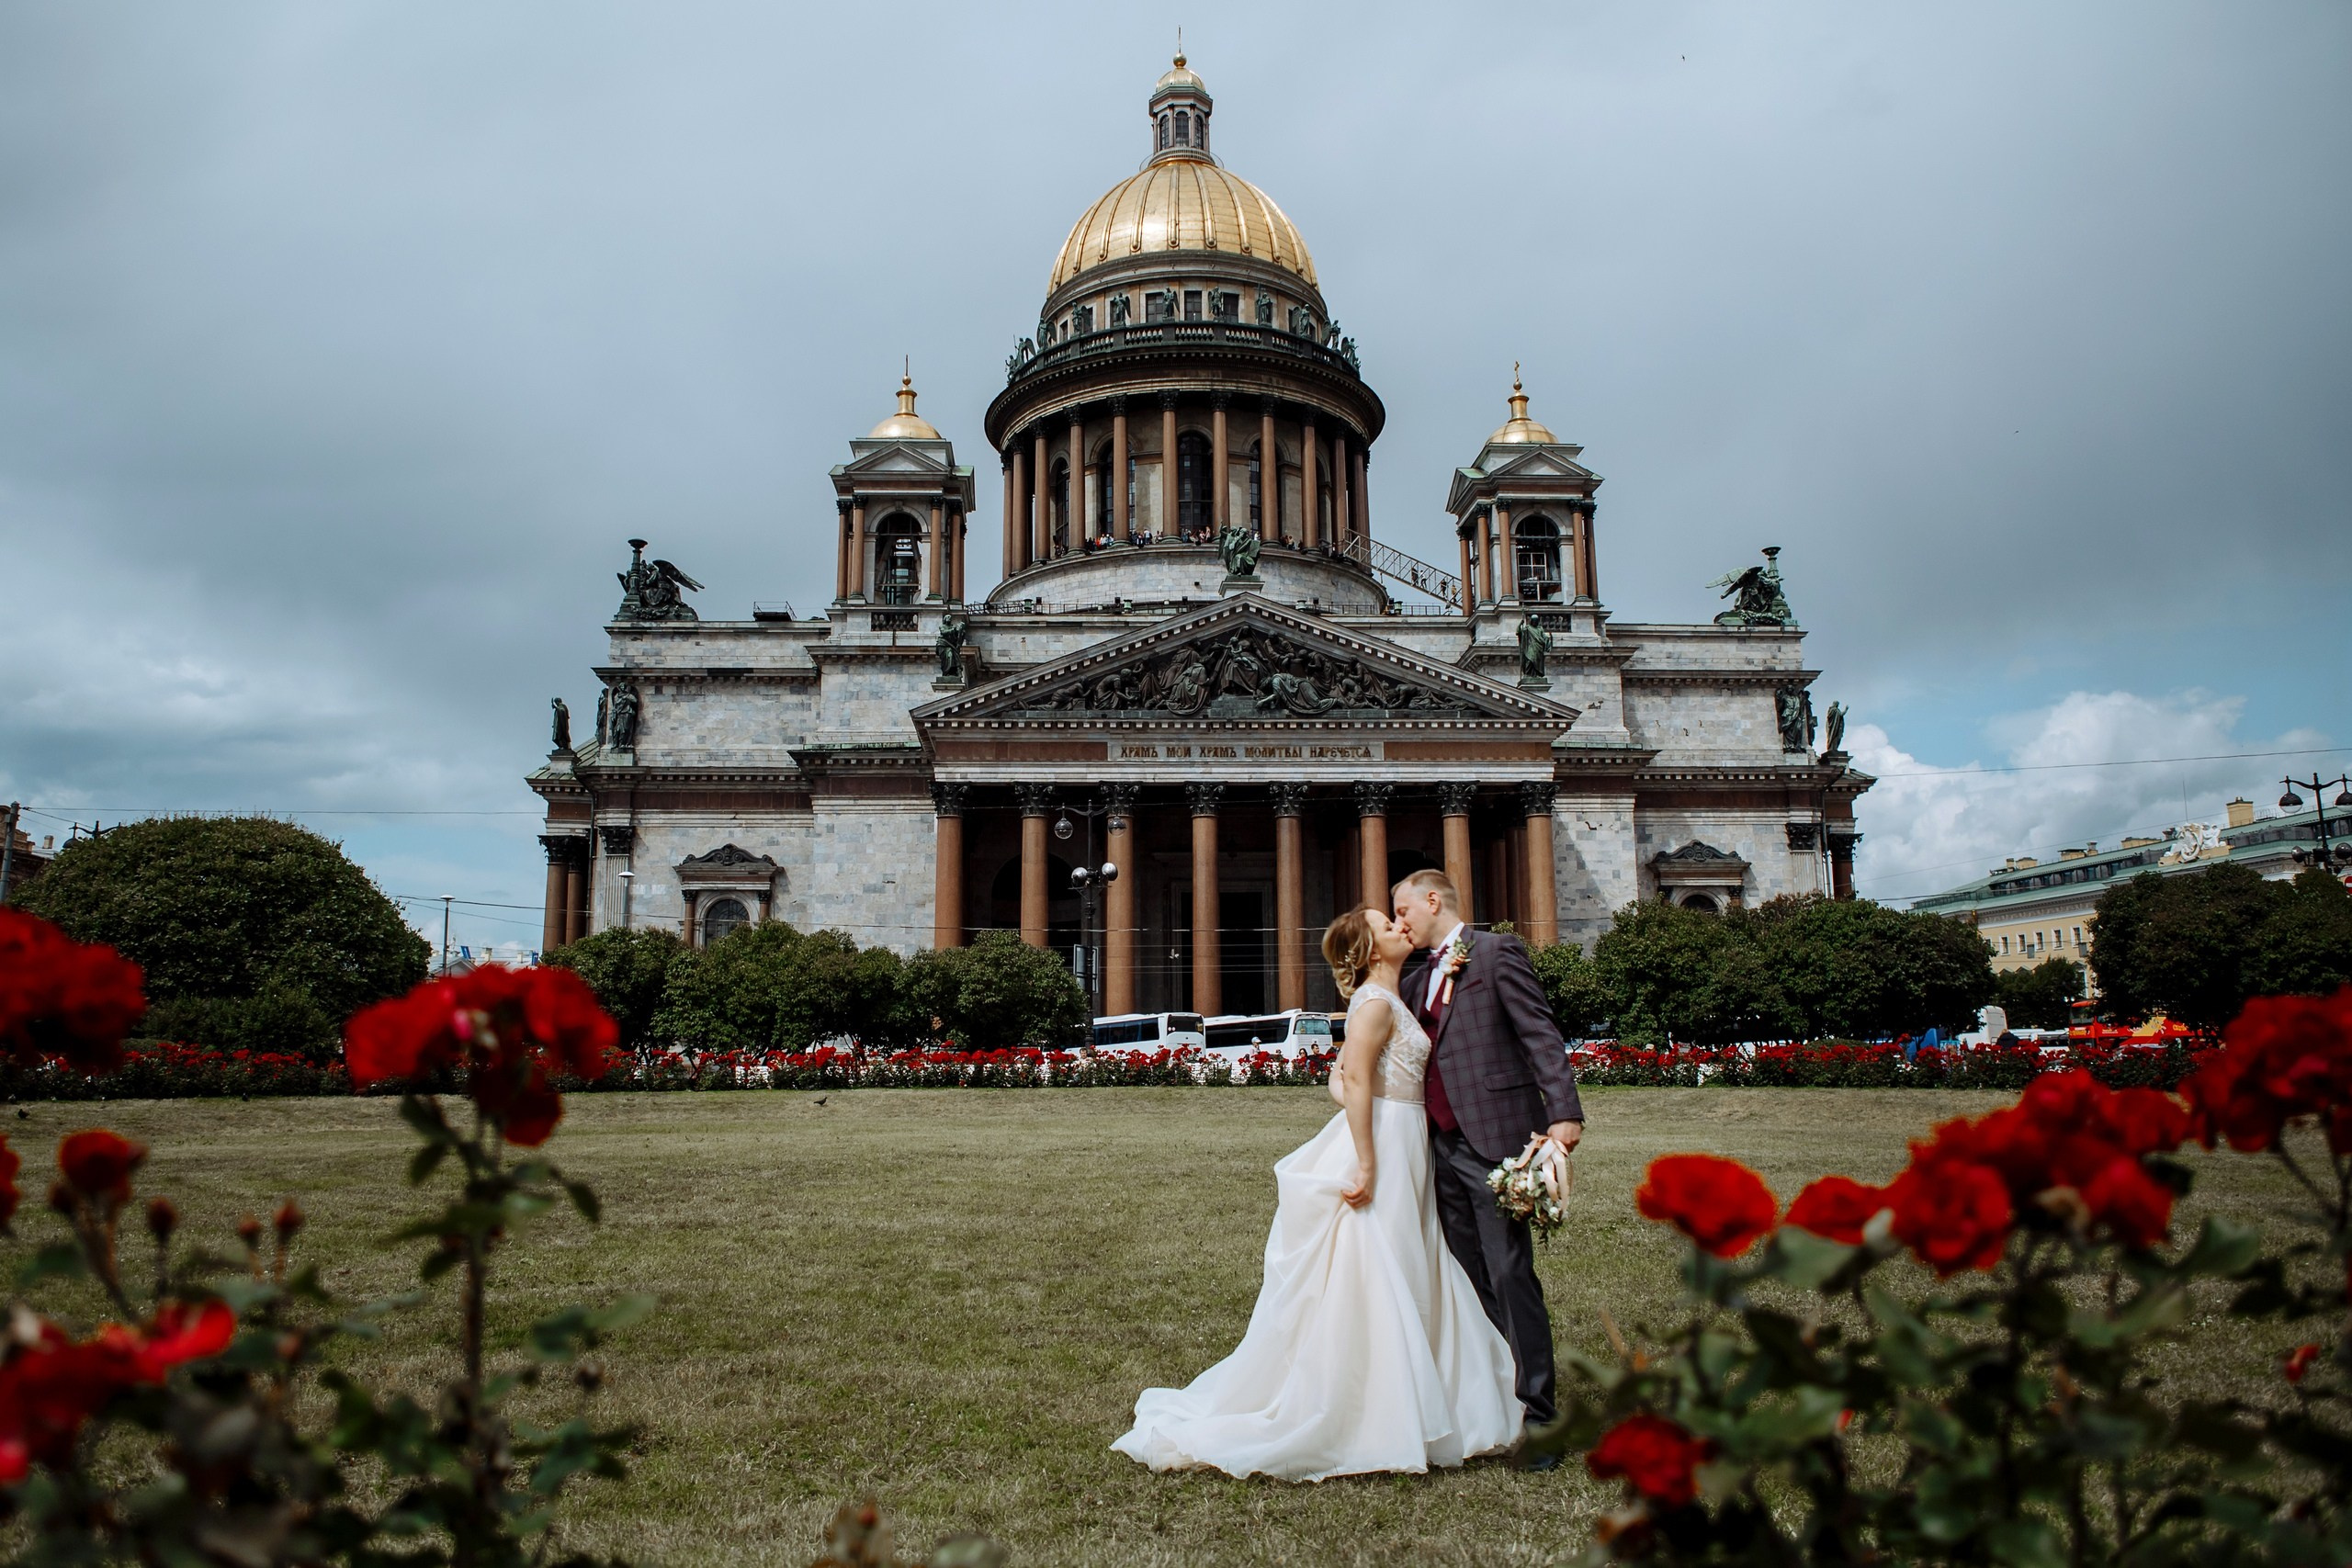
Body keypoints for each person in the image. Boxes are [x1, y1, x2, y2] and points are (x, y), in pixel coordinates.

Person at [1110, 907, 1520, 1481]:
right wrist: (1369, 1158)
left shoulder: (1386, 998)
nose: (1402, 927)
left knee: (1410, 1260)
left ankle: (1423, 1401)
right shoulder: (1376, 1003)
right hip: (1384, 1144)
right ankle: (1379, 1410)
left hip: (1405, 1138)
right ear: (1372, 950)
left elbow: (1348, 1075)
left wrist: (1361, 1094)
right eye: (1387, 925)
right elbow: (1353, 1079)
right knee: (1379, 1266)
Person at [1392, 868, 1583, 1465]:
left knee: (1508, 1273)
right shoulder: (1416, 977)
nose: (1400, 920)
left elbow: (1540, 1034)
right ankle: (1497, 1394)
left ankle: (1542, 1413)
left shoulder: (1498, 954)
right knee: (1466, 1275)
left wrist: (1564, 1112)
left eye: (1403, 908)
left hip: (1496, 1139)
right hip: (1439, 1147)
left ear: (1432, 900)